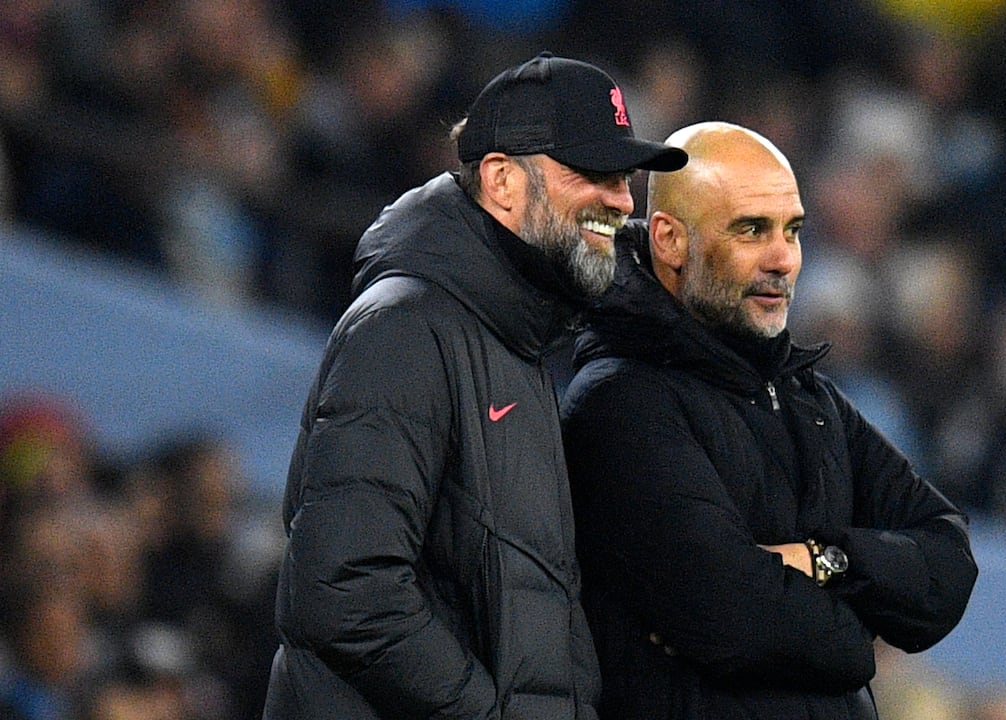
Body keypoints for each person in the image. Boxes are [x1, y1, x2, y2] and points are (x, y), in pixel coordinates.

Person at [261, 52, 687, 720]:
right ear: (502, 181)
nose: (621, 200)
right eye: (593, 172)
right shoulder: (406, 325)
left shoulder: (518, 340)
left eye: (625, 178)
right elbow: (345, 593)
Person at [560, 121, 977, 720]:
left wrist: (823, 557)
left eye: (794, 230)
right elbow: (730, 616)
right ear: (671, 241)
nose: (783, 260)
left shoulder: (813, 401)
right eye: (752, 230)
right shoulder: (622, 401)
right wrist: (859, 638)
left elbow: (949, 562)